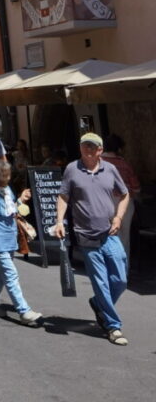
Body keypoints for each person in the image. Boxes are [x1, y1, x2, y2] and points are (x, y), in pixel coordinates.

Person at [54, 132, 130, 346]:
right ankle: (113, 326)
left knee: (120, 280)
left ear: (100, 150)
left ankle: (98, 304)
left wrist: (118, 217)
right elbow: (63, 196)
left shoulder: (110, 169)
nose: (87, 150)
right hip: (86, 234)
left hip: (109, 232)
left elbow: (124, 194)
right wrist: (59, 221)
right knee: (101, 281)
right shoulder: (72, 169)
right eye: (84, 146)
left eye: (92, 147)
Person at [0, 159, 42, 325]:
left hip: (10, 236)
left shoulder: (7, 190)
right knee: (11, 274)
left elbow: (11, 209)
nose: (9, 176)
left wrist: (20, 200)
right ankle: (24, 310)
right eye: (6, 173)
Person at [101, 133, 141, 265]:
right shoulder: (124, 164)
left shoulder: (98, 163)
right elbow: (136, 188)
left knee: (105, 235)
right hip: (125, 202)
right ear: (118, 149)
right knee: (123, 237)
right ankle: (123, 269)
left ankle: (107, 265)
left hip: (102, 202)